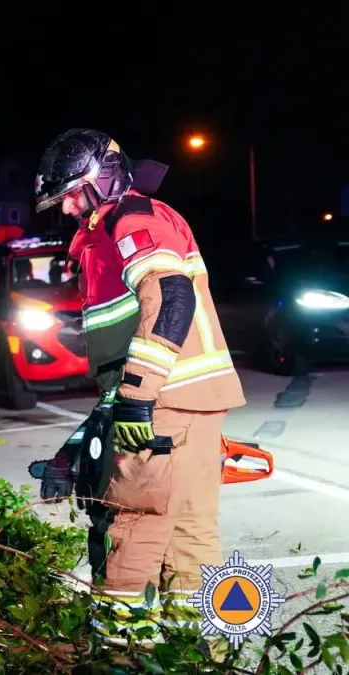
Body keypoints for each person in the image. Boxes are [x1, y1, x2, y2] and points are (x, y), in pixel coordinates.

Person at [29, 128, 245, 647]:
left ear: (102, 180)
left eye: (72, 196)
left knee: (129, 534)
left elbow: (171, 298)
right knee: (190, 540)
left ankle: (121, 655)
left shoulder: (131, 221)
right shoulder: (126, 226)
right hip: (189, 404)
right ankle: (206, 656)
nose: (66, 211)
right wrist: (80, 441)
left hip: (161, 404)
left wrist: (135, 399)